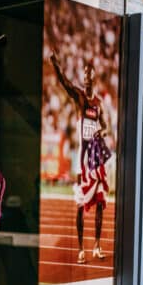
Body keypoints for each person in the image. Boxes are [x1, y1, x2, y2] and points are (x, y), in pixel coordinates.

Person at [50, 53, 111, 262]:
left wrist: (101, 133)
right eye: (84, 75)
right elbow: (65, 83)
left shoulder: (98, 102)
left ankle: (96, 246)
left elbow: (105, 125)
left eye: (89, 74)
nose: (86, 78)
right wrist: (56, 65)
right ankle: (80, 249)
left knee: (101, 200)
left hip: (96, 159)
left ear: (94, 77)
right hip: (82, 162)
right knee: (79, 203)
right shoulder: (79, 97)